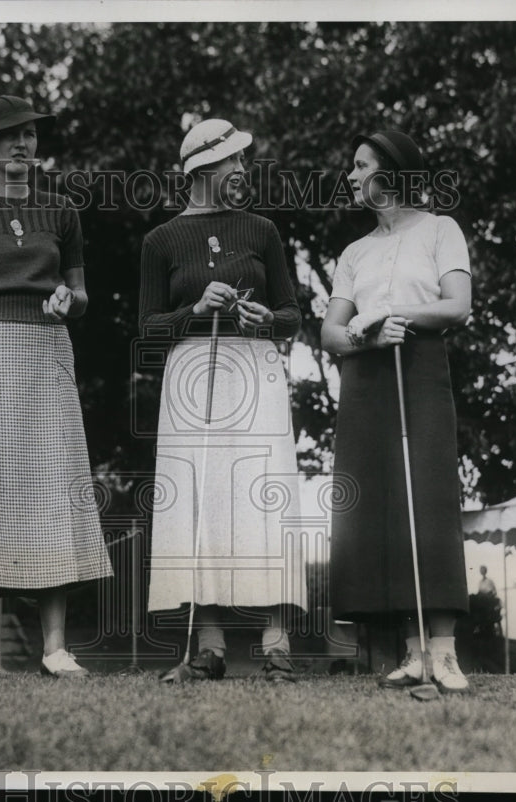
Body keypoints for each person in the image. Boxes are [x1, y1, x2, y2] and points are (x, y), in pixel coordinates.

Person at [0, 94, 112, 680]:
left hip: (47, 354)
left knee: (52, 495)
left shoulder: (61, 212)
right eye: (11, 135)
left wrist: (70, 300)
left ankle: (55, 647)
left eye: (31, 134)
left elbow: (80, 295)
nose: (23, 144)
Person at [139, 118, 307, 683]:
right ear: (201, 171)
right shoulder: (160, 240)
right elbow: (148, 330)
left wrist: (268, 319)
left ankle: (276, 642)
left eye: (242, 161)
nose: (242, 171)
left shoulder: (261, 230)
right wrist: (193, 310)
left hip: (254, 373)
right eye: (232, 162)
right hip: (191, 375)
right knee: (200, 499)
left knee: (264, 496)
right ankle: (207, 646)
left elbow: (292, 314)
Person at [322, 130, 472, 694]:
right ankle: (411, 652)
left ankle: (445, 653)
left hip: (420, 368)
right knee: (383, 503)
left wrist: (389, 314)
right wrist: (365, 335)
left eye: (361, 166)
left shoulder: (440, 229)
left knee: (427, 496)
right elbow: (331, 332)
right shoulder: (354, 252)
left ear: (390, 173)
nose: (352, 175)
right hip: (367, 378)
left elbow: (458, 306)